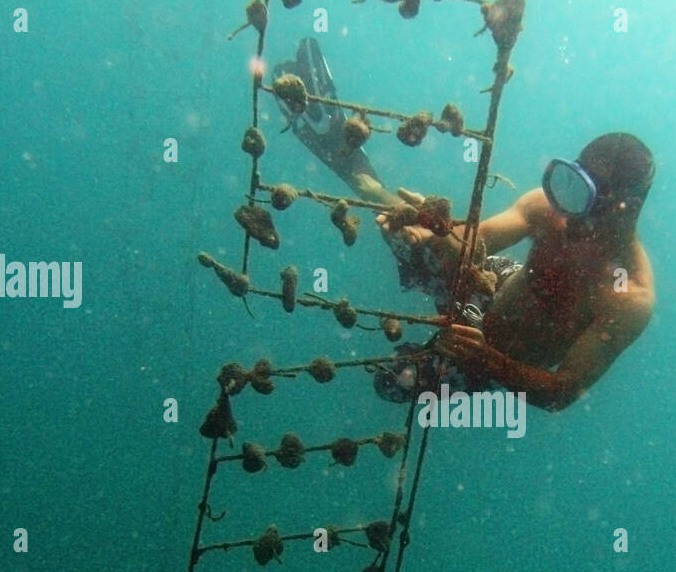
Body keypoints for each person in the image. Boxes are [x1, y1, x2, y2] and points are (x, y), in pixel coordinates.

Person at [275, 39, 655, 412]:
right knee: (407, 234)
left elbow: (561, 391)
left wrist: (486, 360)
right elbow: (479, 240)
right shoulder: (549, 207)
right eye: (569, 183)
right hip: (492, 284)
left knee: (391, 383)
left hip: (494, 357)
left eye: (584, 198)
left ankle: (432, 355)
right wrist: (435, 230)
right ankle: (353, 168)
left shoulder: (627, 297)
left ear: (624, 207)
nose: (567, 208)